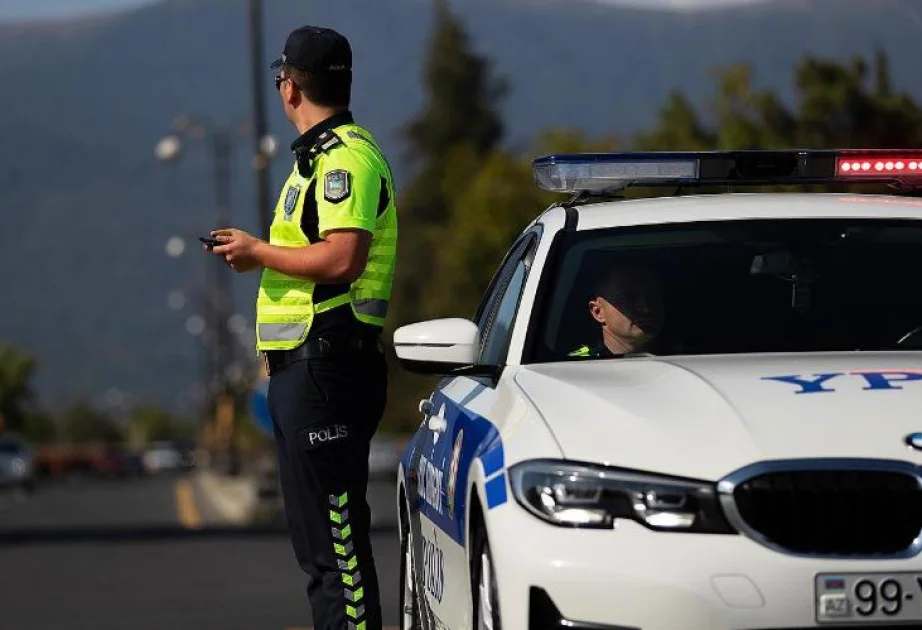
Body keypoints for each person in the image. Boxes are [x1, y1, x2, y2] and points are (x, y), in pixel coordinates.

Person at [207, 25, 397, 630]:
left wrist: (258, 252)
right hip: (305, 371)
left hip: (329, 369)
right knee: (319, 553)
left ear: (289, 88)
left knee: (338, 550)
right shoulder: (316, 160)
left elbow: (343, 258)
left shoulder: (344, 160)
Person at [569, 264, 664, 358]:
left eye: (652, 297)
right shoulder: (575, 365)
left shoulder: (677, 359)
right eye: (628, 299)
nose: (646, 308)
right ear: (598, 312)